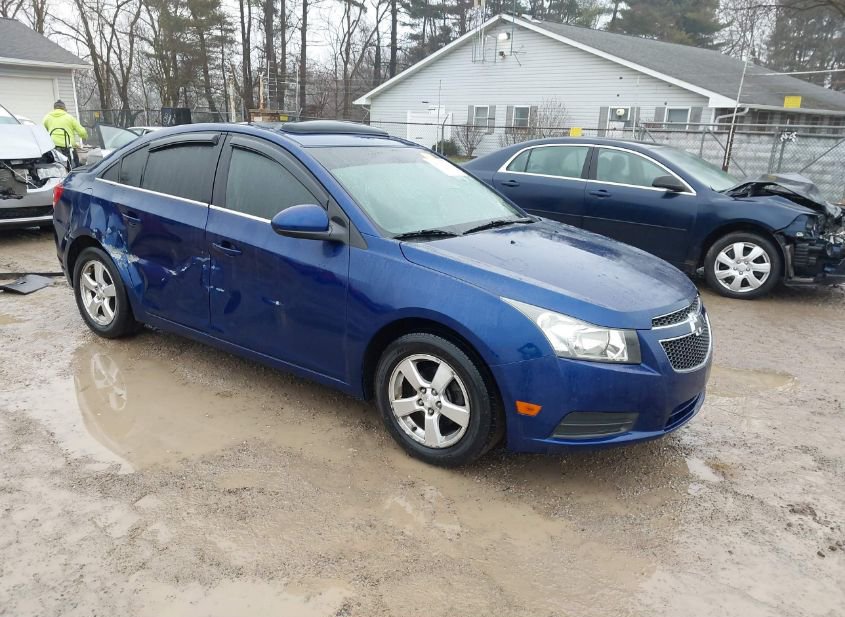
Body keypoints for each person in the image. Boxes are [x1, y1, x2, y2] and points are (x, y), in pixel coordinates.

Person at [43, 100, 87, 167]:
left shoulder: (47, 117)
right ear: (64, 108)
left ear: (54, 108)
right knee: (75, 167)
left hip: (53, 148)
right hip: (68, 148)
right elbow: (82, 132)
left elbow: (42, 132)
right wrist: (85, 136)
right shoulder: (70, 117)